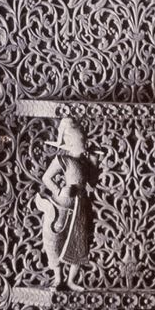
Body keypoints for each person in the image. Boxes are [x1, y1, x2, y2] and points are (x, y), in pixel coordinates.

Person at [35, 115, 94, 288]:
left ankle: (71, 280)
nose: (84, 143)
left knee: (79, 242)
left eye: (84, 140)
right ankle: (58, 277)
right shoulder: (63, 160)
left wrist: (94, 163)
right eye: (80, 141)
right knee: (55, 240)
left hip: (79, 207)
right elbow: (47, 178)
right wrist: (59, 190)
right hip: (61, 205)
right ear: (71, 144)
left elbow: (92, 183)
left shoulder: (84, 163)